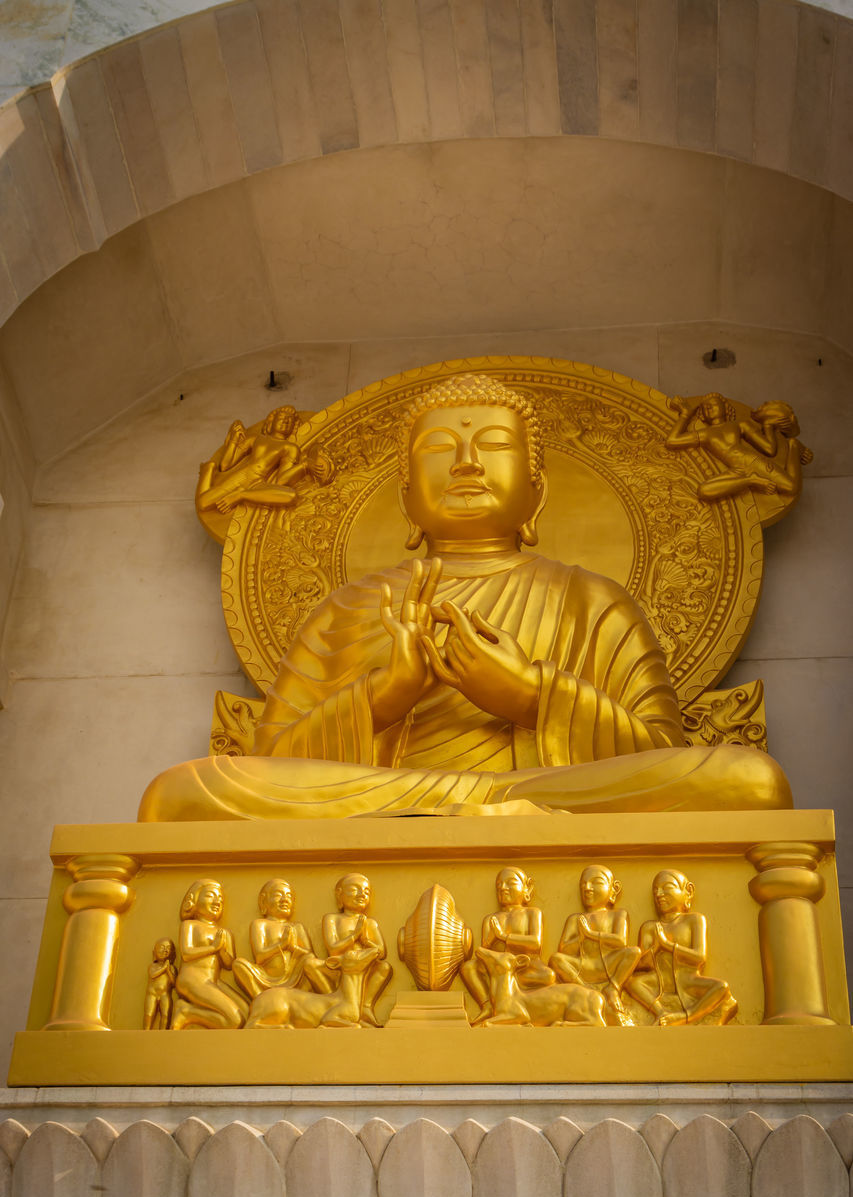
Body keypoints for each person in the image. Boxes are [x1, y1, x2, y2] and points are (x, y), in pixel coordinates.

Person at [139, 374, 791, 821]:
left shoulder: (592, 601)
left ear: (534, 493)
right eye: (441, 449)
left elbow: (660, 753)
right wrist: (386, 694)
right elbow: (271, 762)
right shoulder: (344, 608)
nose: (467, 464)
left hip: (548, 795)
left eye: (494, 446)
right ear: (406, 499)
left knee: (747, 784)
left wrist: (532, 696)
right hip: (385, 799)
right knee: (185, 792)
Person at [624, 869, 737, 1026]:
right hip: (658, 981)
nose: (659, 894)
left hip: (687, 979)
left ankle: (686, 1016)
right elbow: (642, 965)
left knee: (721, 988)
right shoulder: (649, 927)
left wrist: (668, 946)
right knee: (630, 982)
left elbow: (699, 958)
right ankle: (660, 1012)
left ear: (688, 891)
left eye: (667, 887)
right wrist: (654, 950)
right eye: (655, 890)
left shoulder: (693, 920)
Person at [666, 393, 812, 502]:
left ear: (725, 408)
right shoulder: (705, 434)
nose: (709, 407)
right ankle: (751, 481)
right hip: (738, 471)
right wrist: (685, 414)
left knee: (791, 487)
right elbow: (672, 441)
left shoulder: (739, 425)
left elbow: (769, 449)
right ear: (702, 416)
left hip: (753, 461)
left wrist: (767, 426)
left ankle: (794, 446)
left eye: (714, 403)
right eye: (704, 407)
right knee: (703, 491)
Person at [548, 864, 640, 1026]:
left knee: (633, 952)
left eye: (596, 882)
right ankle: (586, 991)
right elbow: (564, 949)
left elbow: (620, 941)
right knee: (556, 959)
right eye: (583, 884)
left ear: (614, 889)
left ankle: (613, 988)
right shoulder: (575, 919)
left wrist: (590, 935)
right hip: (584, 966)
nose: (588, 888)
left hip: (609, 963)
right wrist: (581, 938)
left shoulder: (618, 914)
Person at [460, 866, 554, 1024]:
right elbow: (484, 953)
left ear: (526, 888)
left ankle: (527, 1004)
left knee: (549, 976)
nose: (503, 888)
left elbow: (536, 943)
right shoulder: (491, 919)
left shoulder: (532, 913)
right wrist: (490, 940)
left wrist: (503, 937)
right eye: (499, 886)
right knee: (467, 968)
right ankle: (488, 1006)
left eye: (510, 883)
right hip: (498, 970)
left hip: (526, 966)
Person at [232, 879, 332, 1001]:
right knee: (239, 965)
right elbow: (259, 956)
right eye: (278, 895)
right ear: (264, 901)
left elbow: (310, 956)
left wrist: (293, 948)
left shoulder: (297, 927)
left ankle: (315, 999)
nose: (285, 899)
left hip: (295, 977)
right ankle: (262, 1000)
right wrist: (281, 945)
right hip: (265, 977)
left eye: (288, 896)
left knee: (308, 961)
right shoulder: (260, 924)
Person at [171, 879, 248, 1030]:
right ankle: (185, 1013)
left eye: (220, 899)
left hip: (213, 981)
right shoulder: (190, 925)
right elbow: (186, 953)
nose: (217, 901)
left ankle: (189, 1012)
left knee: (246, 1014)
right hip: (192, 979)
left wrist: (221, 949)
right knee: (234, 1020)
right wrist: (213, 947)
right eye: (210, 896)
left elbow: (228, 964)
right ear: (194, 901)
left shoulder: (224, 933)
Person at [322, 873, 391, 1027]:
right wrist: (354, 936)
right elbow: (333, 950)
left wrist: (366, 941)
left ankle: (365, 1006)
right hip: (338, 966)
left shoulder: (369, 923)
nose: (362, 894)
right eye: (354, 889)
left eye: (366, 892)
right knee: (310, 964)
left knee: (384, 967)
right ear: (340, 895)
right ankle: (333, 1002)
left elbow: (381, 952)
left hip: (362, 966)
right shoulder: (332, 919)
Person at [142, 937, 177, 1030]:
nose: (165, 950)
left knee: (165, 1015)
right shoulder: (153, 966)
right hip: (152, 994)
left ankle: (163, 1033)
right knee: (149, 1014)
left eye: (168, 948)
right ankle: (146, 1031)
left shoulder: (171, 968)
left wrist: (168, 970)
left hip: (165, 994)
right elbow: (153, 975)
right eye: (162, 947)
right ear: (155, 952)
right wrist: (164, 968)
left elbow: (174, 983)